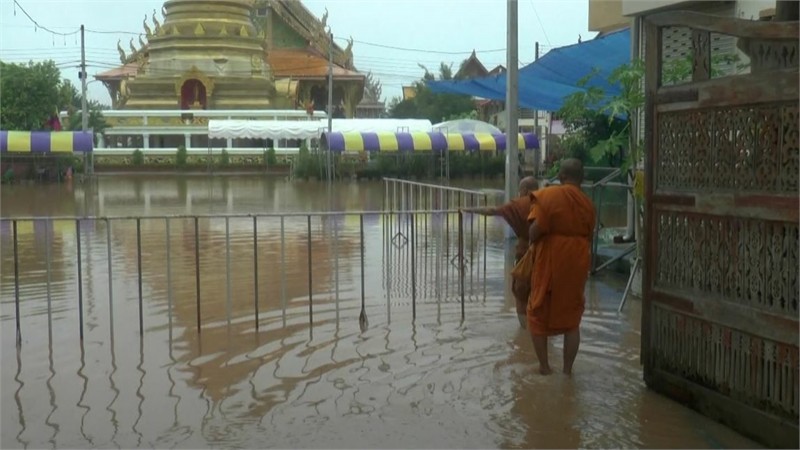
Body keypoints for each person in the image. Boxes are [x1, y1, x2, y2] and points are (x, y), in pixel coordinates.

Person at [527, 159, 596, 375]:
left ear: (561, 176)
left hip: (552, 259)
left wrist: (531, 236)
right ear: (581, 179)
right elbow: (590, 234)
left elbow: (535, 231)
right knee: (572, 318)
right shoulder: (588, 204)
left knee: (536, 313)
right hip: (577, 261)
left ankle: (545, 367)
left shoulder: (549, 196)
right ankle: (567, 371)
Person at [462, 176, 539, 327]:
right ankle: (541, 333)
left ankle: (525, 334)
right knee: (542, 293)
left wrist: (469, 210)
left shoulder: (519, 204)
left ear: (525, 190)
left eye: (519, 191)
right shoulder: (549, 202)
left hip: (525, 255)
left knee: (521, 293)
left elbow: (491, 210)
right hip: (547, 256)